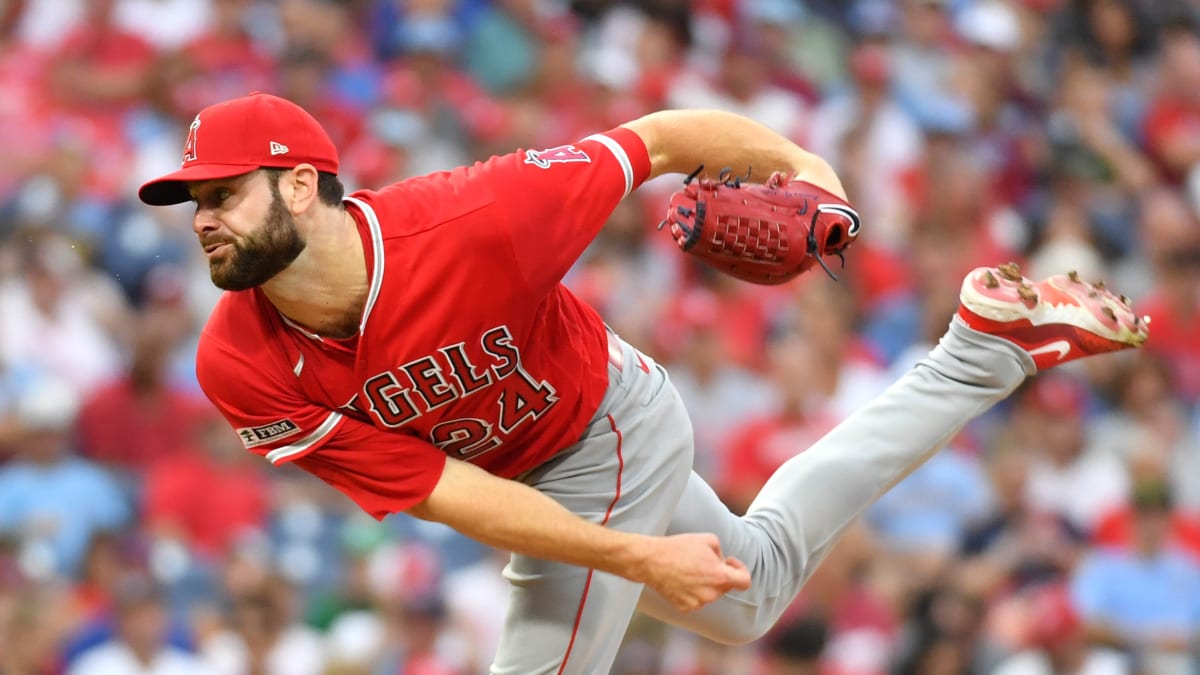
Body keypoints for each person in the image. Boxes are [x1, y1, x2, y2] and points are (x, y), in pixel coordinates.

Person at [136, 92, 1149, 674]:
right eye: (193, 203)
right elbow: (453, 496)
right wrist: (636, 557)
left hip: (604, 423)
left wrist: (809, 168)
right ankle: (981, 350)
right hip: (519, 480)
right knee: (754, 590)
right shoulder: (236, 364)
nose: (203, 218)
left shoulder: (473, 220)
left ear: (302, 185)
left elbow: (657, 142)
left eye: (224, 192)